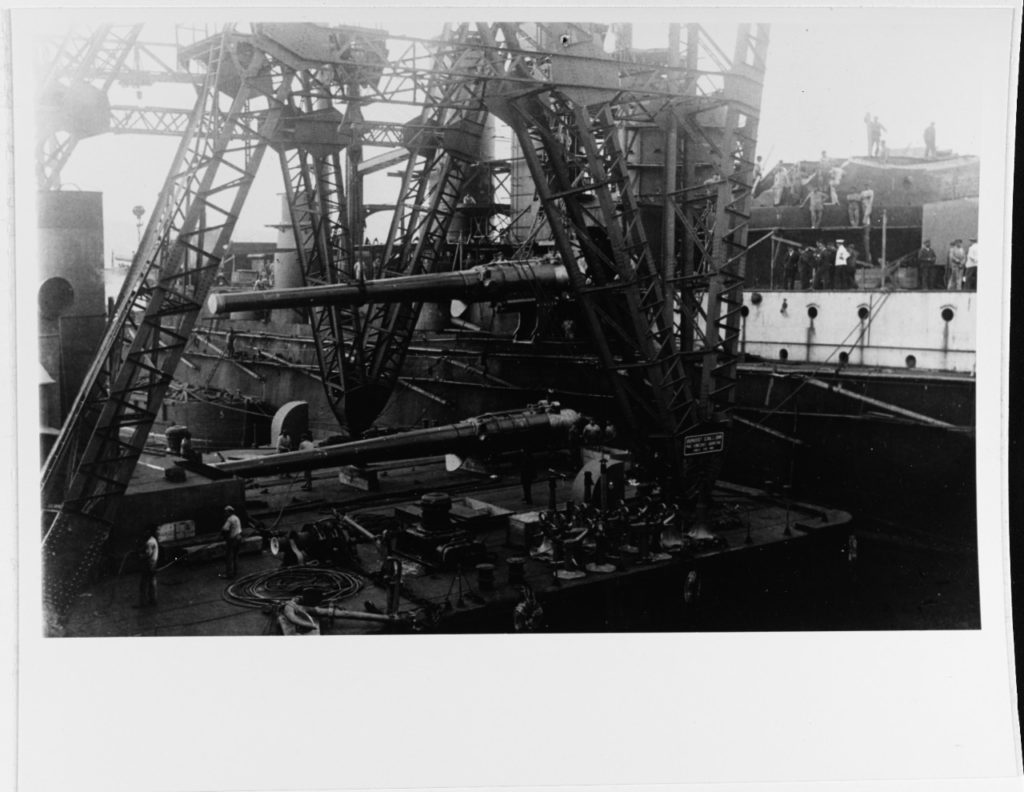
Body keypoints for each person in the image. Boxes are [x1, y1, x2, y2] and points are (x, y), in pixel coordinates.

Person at [138, 526, 159, 607]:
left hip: (149, 565)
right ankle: (153, 601)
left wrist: (140, 555)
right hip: (153, 564)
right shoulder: (153, 540)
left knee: (143, 584)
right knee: (152, 583)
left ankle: (143, 603)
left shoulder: (149, 542)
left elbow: (147, 554)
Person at [220, 505, 243, 580]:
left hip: (233, 539)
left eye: (226, 512)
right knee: (236, 555)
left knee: (229, 557)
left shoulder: (229, 519)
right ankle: (236, 571)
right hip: (239, 537)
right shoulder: (236, 517)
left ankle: (229, 574)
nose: (224, 513)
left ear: (229, 512)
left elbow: (225, 529)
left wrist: (223, 536)